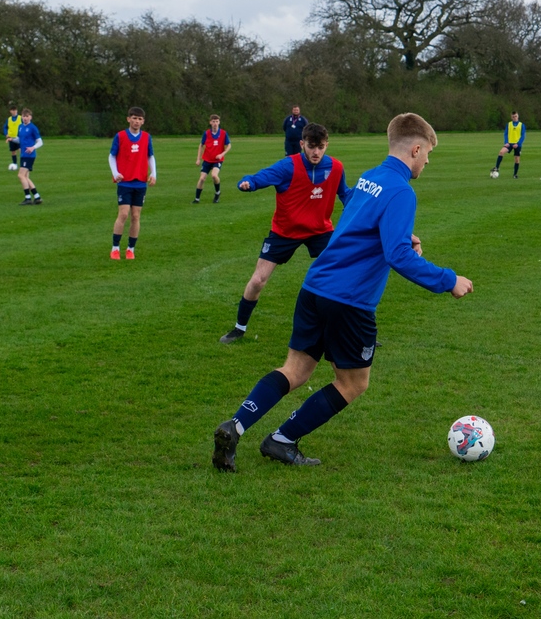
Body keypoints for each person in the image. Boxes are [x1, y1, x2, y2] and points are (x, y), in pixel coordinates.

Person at [212, 112, 473, 471]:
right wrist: (449, 280)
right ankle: (282, 440)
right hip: (349, 302)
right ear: (415, 148)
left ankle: (236, 425)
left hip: (315, 287)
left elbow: (360, 227)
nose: (427, 161)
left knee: (295, 370)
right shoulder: (401, 191)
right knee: (352, 383)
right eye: (427, 154)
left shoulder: (370, 178)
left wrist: (399, 238)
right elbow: (397, 256)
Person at [219, 123, 352, 344]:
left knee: (344, 276)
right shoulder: (288, 166)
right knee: (258, 280)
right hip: (285, 232)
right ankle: (239, 328)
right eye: (311, 146)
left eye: (320, 147)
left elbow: (345, 195)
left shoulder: (336, 168)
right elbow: (261, 176)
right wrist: (249, 183)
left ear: (327, 145)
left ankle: (352, 330)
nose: (316, 152)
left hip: (320, 231)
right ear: (302, 144)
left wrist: (363, 207)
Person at [109, 107, 156, 260]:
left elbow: (150, 156)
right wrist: (116, 173)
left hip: (140, 182)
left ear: (143, 121)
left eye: (140, 119)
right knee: (123, 214)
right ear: (128, 119)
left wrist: (153, 173)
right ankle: (115, 248)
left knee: (136, 216)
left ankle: (130, 249)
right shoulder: (120, 136)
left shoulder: (147, 137)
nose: (137, 121)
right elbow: (111, 156)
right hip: (125, 182)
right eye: (134, 118)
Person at [193, 114, 231, 203]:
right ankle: (197, 199)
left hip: (217, 160)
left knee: (214, 175)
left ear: (219, 122)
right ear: (210, 122)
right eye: (213, 121)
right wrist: (198, 159)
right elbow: (201, 145)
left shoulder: (223, 133)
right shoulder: (206, 133)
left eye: (217, 121)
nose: (215, 123)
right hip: (207, 159)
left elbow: (229, 145)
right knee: (202, 178)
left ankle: (217, 192)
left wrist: (222, 154)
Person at [15, 109, 44, 205]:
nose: (25, 118)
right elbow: (20, 139)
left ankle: (28, 198)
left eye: (27, 116)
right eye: (23, 116)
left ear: (30, 117)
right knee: (26, 177)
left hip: (29, 155)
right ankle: (37, 197)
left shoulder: (33, 128)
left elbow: (40, 142)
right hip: (23, 154)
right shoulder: (20, 127)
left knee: (21, 175)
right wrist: (12, 139)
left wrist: (33, 148)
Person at [490, 111, 525, 178]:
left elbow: (523, 135)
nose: (514, 118)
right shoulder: (509, 124)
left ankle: (515, 174)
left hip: (517, 144)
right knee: (501, 152)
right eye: (513, 117)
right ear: (511, 117)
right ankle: (497, 168)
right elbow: (506, 134)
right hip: (509, 143)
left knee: (517, 159)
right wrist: (506, 142)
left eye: (516, 116)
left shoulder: (521, 125)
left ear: (518, 116)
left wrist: (518, 143)